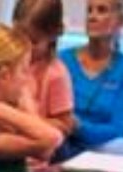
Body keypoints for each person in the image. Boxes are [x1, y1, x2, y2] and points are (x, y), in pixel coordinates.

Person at [0, 23, 64, 172]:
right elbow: (51, 139)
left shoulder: (3, 112)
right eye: (24, 71)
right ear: (4, 75)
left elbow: (46, 151)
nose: (28, 79)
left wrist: (21, 100)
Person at [59, 0, 123, 154]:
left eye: (101, 10)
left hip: (103, 150)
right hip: (61, 145)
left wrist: (79, 127)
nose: (92, 17)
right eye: (89, 10)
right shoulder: (63, 60)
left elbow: (117, 128)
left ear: (120, 20)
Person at [12, 0, 75, 135]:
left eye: (34, 41)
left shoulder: (56, 74)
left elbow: (65, 126)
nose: (25, 45)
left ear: (53, 36)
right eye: (18, 36)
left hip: (34, 149)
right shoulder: (7, 62)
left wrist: (24, 121)